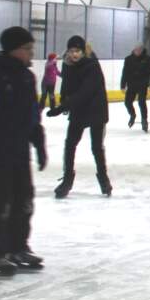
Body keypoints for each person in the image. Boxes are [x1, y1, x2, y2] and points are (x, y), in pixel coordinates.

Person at [0, 26, 48, 277]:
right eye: (27, 48)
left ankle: (17, 248)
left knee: (24, 201)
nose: (31, 53)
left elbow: (33, 116)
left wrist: (39, 144)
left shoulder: (27, 78)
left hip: (19, 151)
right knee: (1, 203)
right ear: (14, 50)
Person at [50, 35, 111, 199]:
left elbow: (86, 92)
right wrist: (63, 100)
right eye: (71, 51)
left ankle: (103, 179)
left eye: (77, 51)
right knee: (70, 144)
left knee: (96, 147)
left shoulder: (92, 65)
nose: (74, 54)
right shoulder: (68, 64)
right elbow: (66, 84)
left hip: (96, 109)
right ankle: (67, 180)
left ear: (83, 51)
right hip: (78, 110)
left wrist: (63, 107)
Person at [121, 44, 150, 132]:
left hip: (142, 84)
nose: (138, 51)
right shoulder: (128, 59)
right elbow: (125, 72)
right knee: (127, 102)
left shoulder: (147, 59)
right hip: (131, 84)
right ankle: (132, 115)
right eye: (136, 50)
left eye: (139, 50)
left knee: (141, 102)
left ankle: (144, 120)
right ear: (133, 50)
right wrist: (123, 85)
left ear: (142, 50)